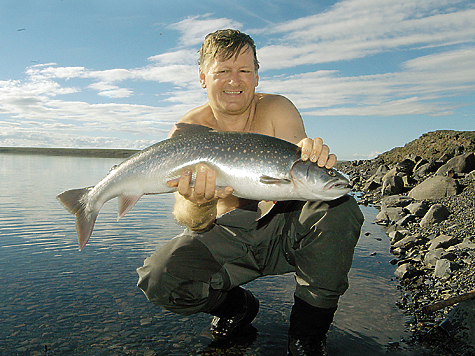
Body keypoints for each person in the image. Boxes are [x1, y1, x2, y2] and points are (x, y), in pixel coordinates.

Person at [136, 29, 364, 356]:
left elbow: (295, 150)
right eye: (223, 71)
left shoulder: (276, 108)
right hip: (227, 231)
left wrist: (310, 154)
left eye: (244, 70)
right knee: (159, 278)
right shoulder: (187, 132)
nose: (235, 80)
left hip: (281, 226)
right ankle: (237, 308)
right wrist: (197, 203)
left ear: (256, 76)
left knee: (339, 207)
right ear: (203, 77)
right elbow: (189, 219)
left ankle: (307, 337)